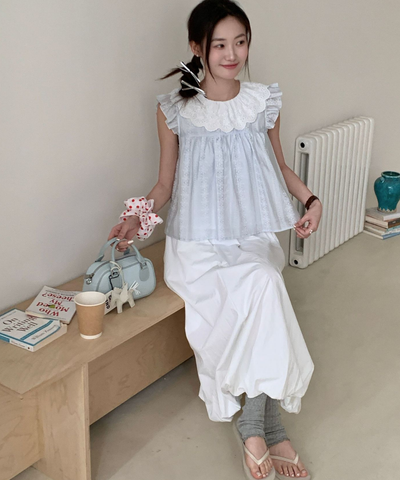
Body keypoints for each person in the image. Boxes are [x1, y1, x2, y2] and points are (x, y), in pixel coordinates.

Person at [108, 1, 322, 479]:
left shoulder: (263, 102)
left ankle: (254, 424)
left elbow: (279, 167)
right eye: (219, 44)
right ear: (197, 47)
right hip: (197, 243)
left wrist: (311, 201)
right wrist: (137, 221)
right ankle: (268, 424)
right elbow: (164, 185)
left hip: (251, 236)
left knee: (264, 281)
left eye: (240, 42)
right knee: (262, 292)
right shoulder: (174, 109)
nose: (232, 54)